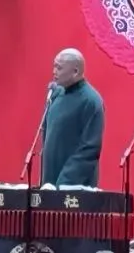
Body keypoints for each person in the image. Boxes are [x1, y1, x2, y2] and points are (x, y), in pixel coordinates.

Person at [41, 48, 105, 186]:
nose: (54, 71)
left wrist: (64, 182)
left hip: (74, 186)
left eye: (59, 68)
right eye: (54, 66)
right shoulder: (55, 94)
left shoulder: (91, 101)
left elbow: (89, 149)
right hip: (50, 183)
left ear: (75, 72)